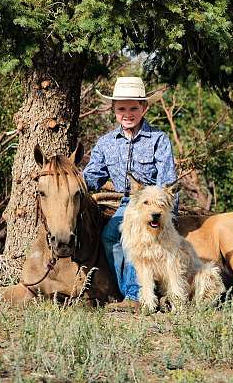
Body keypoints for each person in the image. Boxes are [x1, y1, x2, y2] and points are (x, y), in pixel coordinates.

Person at [83, 77, 178, 311]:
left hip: (152, 201)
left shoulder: (158, 139)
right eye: (122, 108)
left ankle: (135, 296)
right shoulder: (106, 143)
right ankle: (125, 289)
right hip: (125, 202)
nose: (128, 113)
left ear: (144, 108)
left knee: (126, 235)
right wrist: (75, 183)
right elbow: (93, 175)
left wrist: (162, 210)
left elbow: (166, 180)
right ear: (113, 110)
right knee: (109, 237)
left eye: (133, 107)